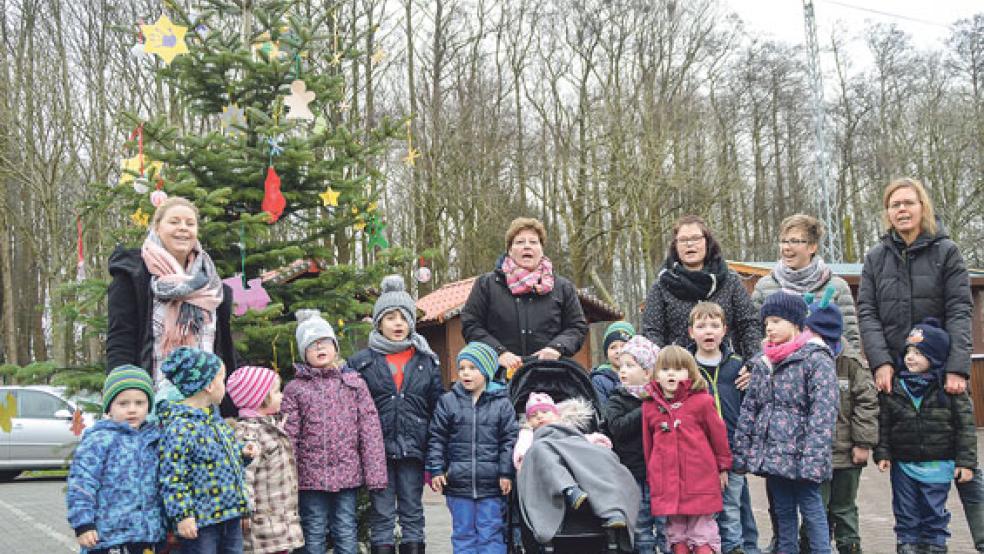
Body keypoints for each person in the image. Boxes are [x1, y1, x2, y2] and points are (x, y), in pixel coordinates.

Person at [858, 177, 984, 551]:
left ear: (922, 206)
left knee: (964, 464)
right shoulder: (875, 258)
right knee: (906, 467)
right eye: (894, 204)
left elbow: (960, 309)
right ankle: (911, 542)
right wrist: (881, 361)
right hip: (900, 376)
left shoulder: (947, 252)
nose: (902, 209)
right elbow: (867, 312)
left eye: (908, 202)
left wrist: (957, 367)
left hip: (943, 376)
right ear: (887, 212)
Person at [106, 196, 238, 416]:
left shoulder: (212, 286)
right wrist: (121, 396)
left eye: (190, 223)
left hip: (206, 407)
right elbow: (121, 341)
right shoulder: (134, 277)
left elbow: (224, 348)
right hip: (151, 404)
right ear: (157, 227)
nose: (183, 229)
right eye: (174, 222)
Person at [732, 292, 839, 554]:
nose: (769, 327)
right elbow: (750, 408)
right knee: (782, 512)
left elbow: (823, 413)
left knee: (812, 510)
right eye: (766, 322)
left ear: (795, 323)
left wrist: (813, 458)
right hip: (774, 456)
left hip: (805, 457)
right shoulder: (763, 362)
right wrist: (742, 450)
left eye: (776, 321)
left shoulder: (816, 359)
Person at [348, 275, 444, 554]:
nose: (398, 324)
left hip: (414, 449)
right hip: (378, 451)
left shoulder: (426, 360)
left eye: (403, 317)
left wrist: (436, 451)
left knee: (413, 511)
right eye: (390, 317)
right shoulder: (361, 363)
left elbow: (437, 407)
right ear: (379, 322)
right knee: (382, 514)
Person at [282, 310, 388, 554]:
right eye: (312, 345)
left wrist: (375, 474)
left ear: (335, 347)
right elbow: (289, 436)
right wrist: (288, 477)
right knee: (314, 529)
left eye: (325, 342)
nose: (320, 348)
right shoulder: (295, 389)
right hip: (310, 478)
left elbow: (370, 430)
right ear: (303, 353)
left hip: (347, 473)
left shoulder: (353, 383)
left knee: (345, 528)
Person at [875, 318, 976, 554]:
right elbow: (884, 424)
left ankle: (934, 545)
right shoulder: (895, 388)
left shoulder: (950, 389)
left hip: (939, 463)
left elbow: (966, 428)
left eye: (918, 353)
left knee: (933, 511)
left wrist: (966, 462)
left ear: (936, 356)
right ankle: (907, 545)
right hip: (904, 464)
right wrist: (883, 452)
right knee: (905, 511)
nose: (910, 357)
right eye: (908, 351)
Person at [800, 288, 878, 554]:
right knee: (814, 509)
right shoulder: (801, 360)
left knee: (844, 508)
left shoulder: (852, 363)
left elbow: (867, 405)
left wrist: (863, 442)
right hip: (815, 456)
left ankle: (849, 547)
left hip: (847, 454)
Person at [157, 347, 255, 553]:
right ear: (209, 385)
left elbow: (220, 458)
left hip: (230, 513)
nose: (225, 387)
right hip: (203, 521)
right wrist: (183, 515)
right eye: (222, 380)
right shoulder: (179, 427)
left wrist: (242, 454)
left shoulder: (215, 420)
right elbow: (172, 476)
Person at [461, 217, 589, 374]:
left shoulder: (562, 287)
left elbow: (577, 326)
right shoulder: (486, 285)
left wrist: (556, 348)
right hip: (498, 376)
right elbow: (471, 324)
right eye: (520, 242)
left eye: (533, 242)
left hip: (550, 374)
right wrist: (498, 352)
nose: (527, 246)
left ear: (541, 249)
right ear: (510, 250)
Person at [515, 391, 639, 551]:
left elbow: (584, 443)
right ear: (529, 421)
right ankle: (569, 490)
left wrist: (597, 443)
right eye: (533, 415)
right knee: (540, 449)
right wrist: (522, 457)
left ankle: (612, 509)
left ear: (557, 416)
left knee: (603, 455)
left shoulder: (570, 432)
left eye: (545, 412)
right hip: (547, 478)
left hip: (577, 469)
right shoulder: (528, 435)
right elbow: (520, 455)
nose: (540, 417)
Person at [427, 342, 519, 554]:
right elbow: (437, 438)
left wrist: (506, 472)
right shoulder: (448, 402)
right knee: (463, 534)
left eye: (473, 368)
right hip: (458, 483)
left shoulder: (502, 404)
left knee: (491, 533)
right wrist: (437, 470)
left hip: (492, 485)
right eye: (462, 368)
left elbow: (509, 440)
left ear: (486, 371)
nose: (466, 373)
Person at [642, 345, 732, 554]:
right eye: (665, 369)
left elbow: (718, 436)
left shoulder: (702, 402)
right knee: (676, 532)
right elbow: (649, 446)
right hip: (666, 480)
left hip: (699, 478)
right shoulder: (649, 407)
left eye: (678, 369)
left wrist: (723, 466)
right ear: (656, 374)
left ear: (690, 372)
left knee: (702, 531)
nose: (671, 374)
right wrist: (652, 475)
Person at [66, 365, 164, 554]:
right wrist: (83, 524)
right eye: (123, 403)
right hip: (107, 538)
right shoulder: (99, 440)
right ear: (109, 406)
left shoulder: (154, 439)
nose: (132, 410)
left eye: (140, 403)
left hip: (146, 536)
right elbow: (81, 484)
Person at [687, 302, 759, 554]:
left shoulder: (738, 366)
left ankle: (736, 547)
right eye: (701, 326)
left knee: (732, 506)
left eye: (715, 325)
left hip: (734, 449)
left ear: (724, 330)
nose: (708, 331)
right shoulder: (686, 369)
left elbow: (751, 407)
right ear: (691, 332)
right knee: (707, 509)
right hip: (699, 454)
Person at [642, 215, 762, 360]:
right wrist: (664, 368)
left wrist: (752, 364)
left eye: (695, 238)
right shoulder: (661, 286)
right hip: (680, 371)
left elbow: (749, 324)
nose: (689, 244)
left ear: (707, 242)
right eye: (683, 240)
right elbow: (652, 332)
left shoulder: (730, 280)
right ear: (675, 245)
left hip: (729, 369)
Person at [751, 214, 860, 351]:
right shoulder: (765, 287)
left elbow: (850, 340)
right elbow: (754, 337)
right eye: (783, 241)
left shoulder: (837, 287)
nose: (786, 247)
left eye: (794, 241)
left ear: (812, 247)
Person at [227, 365, 304, 554]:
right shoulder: (250, 434)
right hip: (261, 525)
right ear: (259, 398)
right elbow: (244, 476)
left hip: (279, 521)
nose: (282, 396)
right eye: (277, 391)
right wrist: (244, 510)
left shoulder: (270, 426)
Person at [605, 335, 669, 554]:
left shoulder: (663, 399)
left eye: (630, 366)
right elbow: (617, 427)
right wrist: (645, 409)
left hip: (661, 475)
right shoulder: (617, 398)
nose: (623, 370)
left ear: (648, 372)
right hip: (632, 474)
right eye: (621, 366)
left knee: (666, 528)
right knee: (641, 529)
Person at [591, 321, 636, 409]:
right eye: (613, 347)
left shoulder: (641, 376)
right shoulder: (599, 380)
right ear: (606, 353)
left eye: (623, 346)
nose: (618, 351)